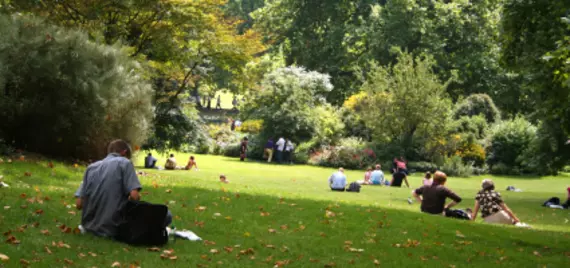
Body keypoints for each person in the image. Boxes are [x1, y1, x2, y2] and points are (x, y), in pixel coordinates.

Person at [74, 140, 172, 238]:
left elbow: (79, 204)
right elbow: (134, 196)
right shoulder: (124, 163)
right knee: (166, 214)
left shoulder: (91, 167)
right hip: (112, 228)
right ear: (124, 153)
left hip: (88, 227)